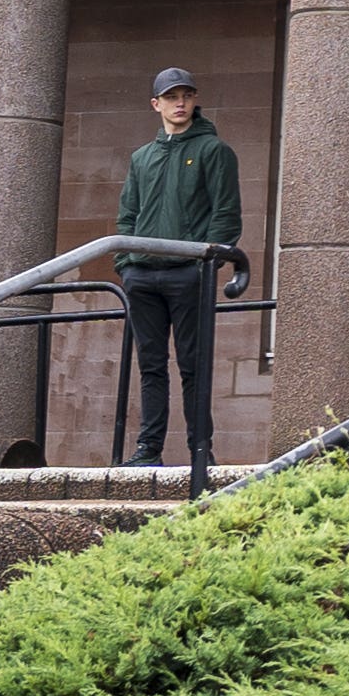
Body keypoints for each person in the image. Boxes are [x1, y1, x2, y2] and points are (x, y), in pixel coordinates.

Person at [115, 65, 247, 478]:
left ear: (194, 100)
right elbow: (127, 216)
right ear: (156, 104)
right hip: (142, 277)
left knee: (193, 365)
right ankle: (147, 448)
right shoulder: (142, 157)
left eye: (186, 95)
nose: (180, 103)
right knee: (150, 366)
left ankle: (199, 451)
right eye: (172, 97)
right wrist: (125, 266)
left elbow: (226, 216)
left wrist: (204, 265)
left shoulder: (214, 151)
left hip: (188, 276)